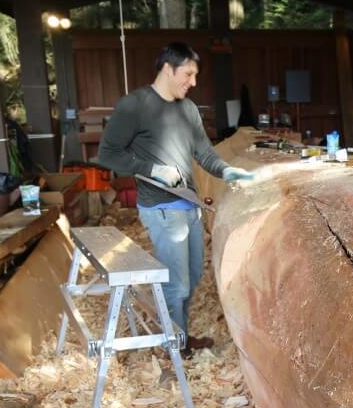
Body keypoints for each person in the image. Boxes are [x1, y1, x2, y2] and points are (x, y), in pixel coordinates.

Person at [97, 42, 252, 355]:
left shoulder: (188, 108)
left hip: (189, 205)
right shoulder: (135, 105)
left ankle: (178, 336)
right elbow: (107, 154)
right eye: (188, 73)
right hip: (161, 208)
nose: (193, 82)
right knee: (176, 284)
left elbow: (204, 152)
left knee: (192, 278)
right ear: (168, 68)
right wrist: (151, 169)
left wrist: (226, 170)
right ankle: (173, 348)